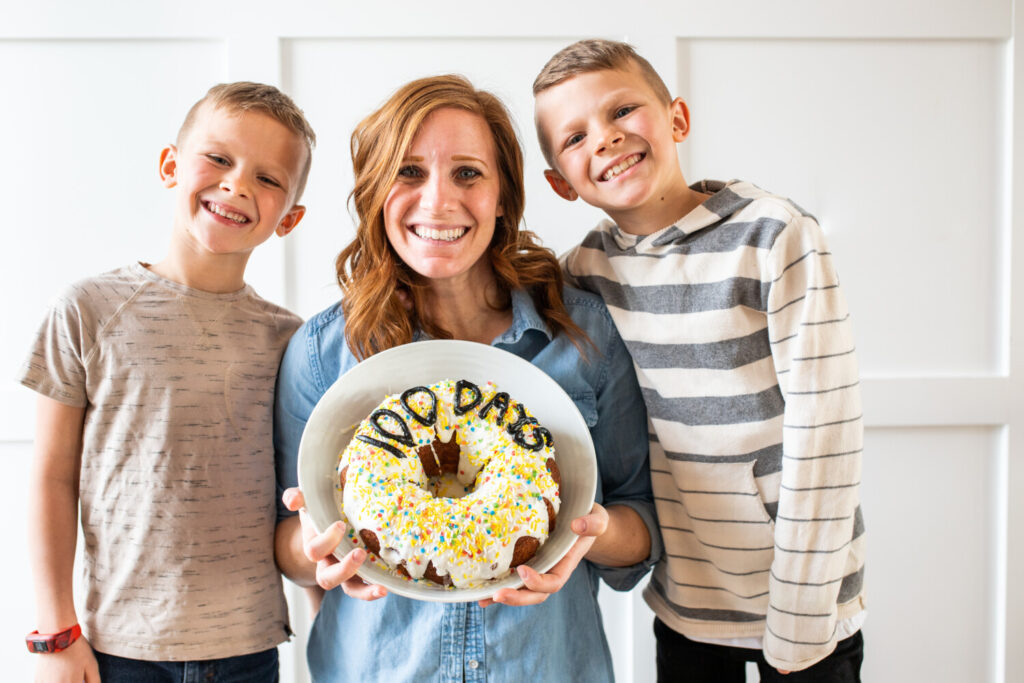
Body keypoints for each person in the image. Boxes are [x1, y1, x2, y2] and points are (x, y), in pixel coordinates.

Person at [273, 74, 659, 683]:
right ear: (375, 191)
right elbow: (289, 548)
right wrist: (314, 553)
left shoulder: (582, 336)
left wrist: (586, 533)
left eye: (468, 173)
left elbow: (637, 531)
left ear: (504, 194)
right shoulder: (324, 354)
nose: (438, 203)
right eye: (409, 172)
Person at [532, 39, 867, 681]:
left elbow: (827, 429)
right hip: (688, 602)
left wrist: (800, 616)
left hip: (806, 600)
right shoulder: (584, 273)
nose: (604, 139)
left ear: (677, 119)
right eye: (574, 138)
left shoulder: (774, 236)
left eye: (622, 110)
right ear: (559, 183)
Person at [18, 81, 315, 682]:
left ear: (290, 219)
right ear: (170, 166)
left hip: (249, 651)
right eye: (220, 158)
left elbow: (300, 498)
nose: (236, 185)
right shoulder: (88, 310)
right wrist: (56, 634)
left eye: (268, 178)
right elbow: (51, 479)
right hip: (117, 651)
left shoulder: (292, 340)